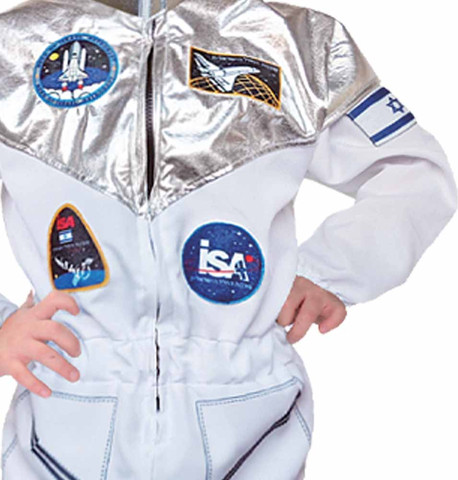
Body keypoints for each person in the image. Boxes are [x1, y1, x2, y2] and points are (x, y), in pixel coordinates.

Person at [0, 0, 456, 478]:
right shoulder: (14, 48)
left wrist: (329, 271)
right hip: (62, 419)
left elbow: (414, 173)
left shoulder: (297, 44)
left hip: (251, 425)